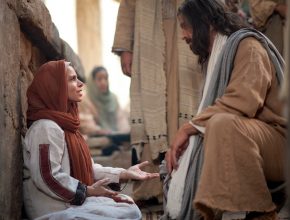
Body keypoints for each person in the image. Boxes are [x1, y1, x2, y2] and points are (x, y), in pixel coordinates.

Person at [164, 0, 286, 219]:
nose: (183, 35)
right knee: (191, 148)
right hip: (254, 138)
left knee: (222, 124)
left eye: (185, 26)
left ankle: (262, 211)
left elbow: (243, 102)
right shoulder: (216, 57)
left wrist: (189, 128)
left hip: (279, 145)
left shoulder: (248, 46)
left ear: (206, 23)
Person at [23, 60, 159, 220]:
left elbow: (89, 168)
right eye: (73, 79)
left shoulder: (67, 127)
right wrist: (86, 191)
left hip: (71, 203)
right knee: (125, 212)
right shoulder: (45, 128)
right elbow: (47, 177)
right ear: (55, 86)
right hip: (54, 207)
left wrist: (123, 173)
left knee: (128, 207)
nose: (81, 83)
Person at [112, 0, 203, 204]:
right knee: (152, 108)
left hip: (189, 30)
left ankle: (190, 183)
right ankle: (151, 187)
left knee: (186, 103)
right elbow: (128, 4)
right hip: (149, 32)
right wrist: (125, 48)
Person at [87, 66, 129, 134]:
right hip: (96, 138)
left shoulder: (113, 98)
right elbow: (87, 125)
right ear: (92, 81)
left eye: (105, 79)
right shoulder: (87, 99)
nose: (103, 82)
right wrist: (101, 131)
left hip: (116, 137)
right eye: (99, 79)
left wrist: (123, 133)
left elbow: (121, 120)